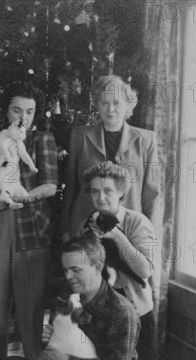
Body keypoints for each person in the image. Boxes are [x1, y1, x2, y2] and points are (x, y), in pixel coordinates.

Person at [0, 237, 140, 360]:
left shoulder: (122, 311)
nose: (68, 277)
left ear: (97, 268)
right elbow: (55, 349)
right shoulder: (66, 296)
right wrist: (49, 340)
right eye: (65, 270)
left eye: (75, 270)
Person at [0, 82, 58, 360]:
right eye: (17, 110)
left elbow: (50, 186)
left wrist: (21, 199)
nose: (23, 118)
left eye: (30, 111)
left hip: (32, 229)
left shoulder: (42, 140)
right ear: (6, 112)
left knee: (30, 304)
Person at [77, 161, 159, 360]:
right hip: (103, 308)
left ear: (121, 192)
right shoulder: (90, 224)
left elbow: (145, 270)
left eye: (108, 191)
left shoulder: (137, 222)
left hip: (135, 307)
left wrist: (117, 237)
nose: (100, 198)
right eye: (95, 191)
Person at [62, 75, 161, 242]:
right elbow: (71, 187)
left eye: (116, 103)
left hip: (129, 230)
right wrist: (66, 230)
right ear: (97, 105)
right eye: (104, 103)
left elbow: (151, 194)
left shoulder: (146, 140)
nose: (110, 109)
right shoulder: (79, 136)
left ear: (128, 105)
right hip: (85, 227)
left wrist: (150, 235)